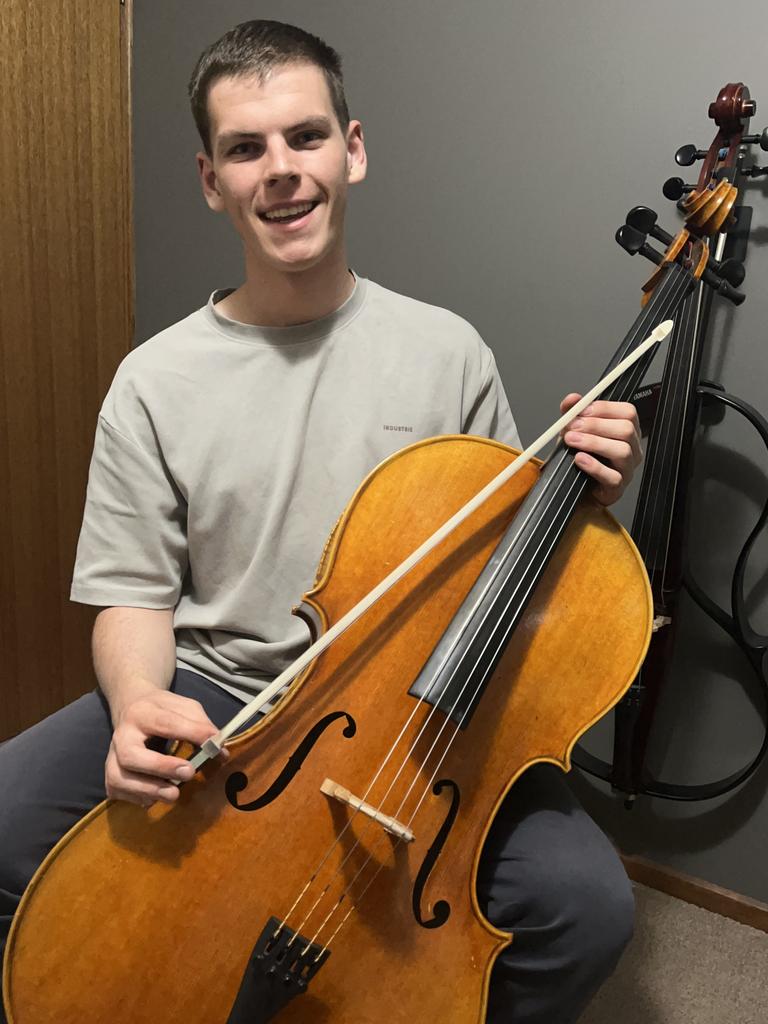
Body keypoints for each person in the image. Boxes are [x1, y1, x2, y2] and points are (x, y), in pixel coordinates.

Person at [0, 19, 643, 1024]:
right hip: (215, 695)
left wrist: (577, 500)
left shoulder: (447, 352)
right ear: (211, 179)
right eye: (246, 148)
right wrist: (134, 703)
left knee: (587, 908)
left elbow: (501, 583)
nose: (281, 171)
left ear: (353, 148)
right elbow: (131, 592)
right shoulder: (152, 381)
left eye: (304, 137)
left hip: (408, 710)